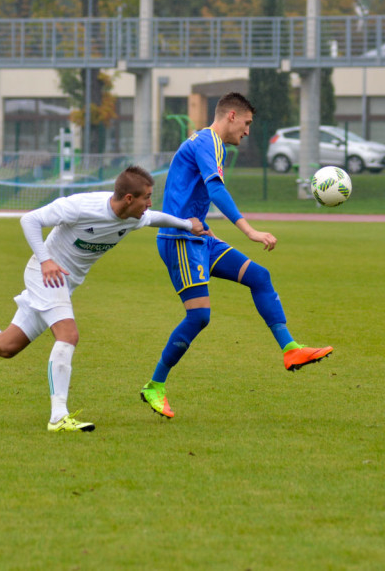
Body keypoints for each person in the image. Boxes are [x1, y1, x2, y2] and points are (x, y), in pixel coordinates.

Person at [0, 165, 206, 433]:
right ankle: (58, 416)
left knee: (5, 346)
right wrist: (45, 260)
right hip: (44, 275)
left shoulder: (134, 217)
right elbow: (29, 220)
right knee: (69, 335)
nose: (149, 204)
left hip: (61, 284)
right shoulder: (81, 206)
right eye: (146, 197)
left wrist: (186, 224)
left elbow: (155, 219)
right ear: (129, 198)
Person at [139, 92, 333, 419]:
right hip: (180, 239)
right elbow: (215, 190)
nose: (247, 131)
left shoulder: (208, 143)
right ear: (231, 116)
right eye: (247, 123)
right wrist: (250, 231)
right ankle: (155, 385)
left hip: (200, 238)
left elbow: (192, 191)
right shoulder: (209, 142)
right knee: (199, 317)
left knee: (259, 276)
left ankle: (290, 350)